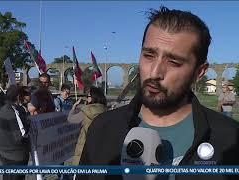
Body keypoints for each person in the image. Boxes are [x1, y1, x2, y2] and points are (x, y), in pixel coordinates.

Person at [78, 6, 239, 180]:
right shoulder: (102, 129)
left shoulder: (230, 140)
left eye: (174, 62)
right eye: (148, 55)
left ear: (199, 72)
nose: (154, 73)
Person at [0, 85, 30, 180]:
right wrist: (29, 123)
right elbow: (21, 135)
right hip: (16, 155)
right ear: (18, 96)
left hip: (5, 153)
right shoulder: (12, 111)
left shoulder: (4, 109)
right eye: (23, 94)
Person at [67, 86, 107, 165]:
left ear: (93, 97)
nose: (86, 98)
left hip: (85, 144)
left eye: (88, 96)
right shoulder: (105, 110)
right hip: (99, 144)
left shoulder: (86, 111)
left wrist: (73, 107)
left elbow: (71, 119)